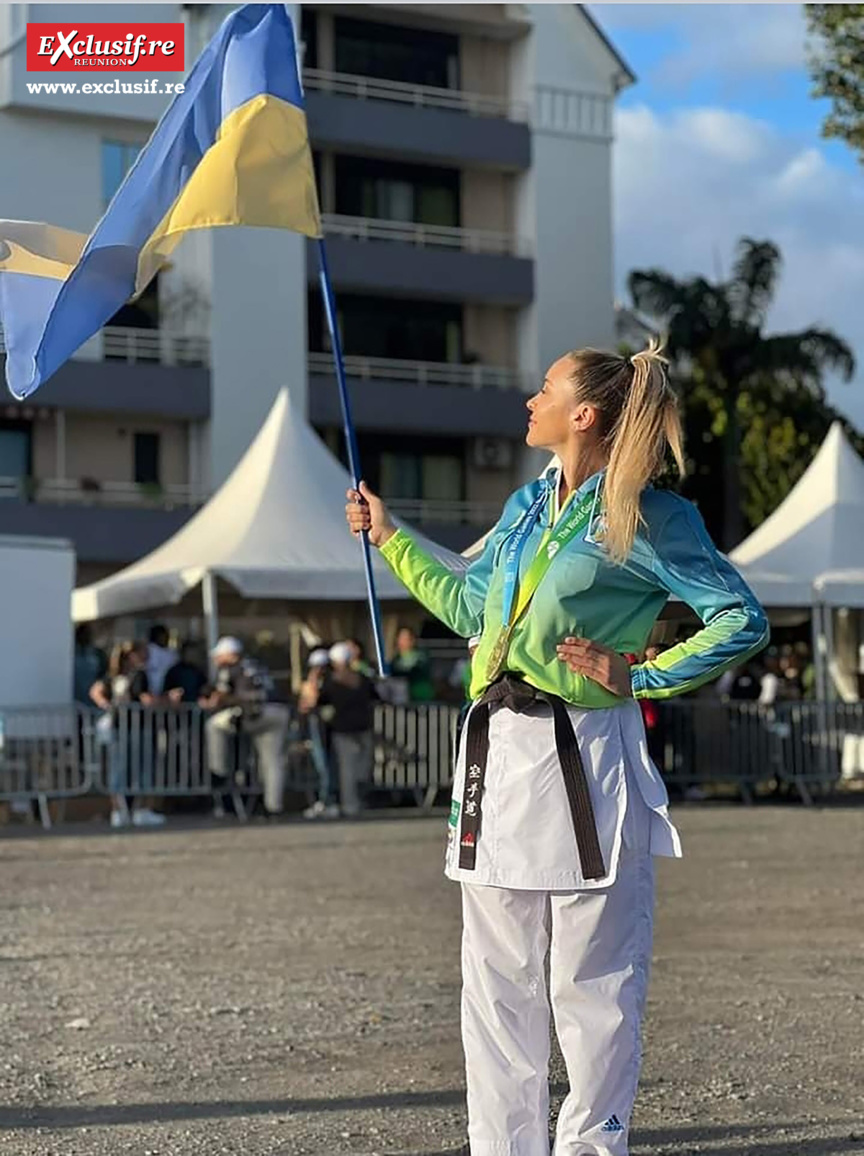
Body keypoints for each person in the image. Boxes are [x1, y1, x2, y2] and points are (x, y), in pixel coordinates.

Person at [346, 339, 769, 1156]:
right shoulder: (525, 507)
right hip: (497, 754)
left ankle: (589, 1148)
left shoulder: (649, 515)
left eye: (544, 389)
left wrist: (639, 675)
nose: (528, 401)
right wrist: (392, 537)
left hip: (587, 752)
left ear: (584, 414)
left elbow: (739, 619)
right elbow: (472, 611)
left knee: (591, 981)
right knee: (496, 984)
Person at [201, 637, 290, 817]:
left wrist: (210, 703)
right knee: (272, 761)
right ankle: (273, 806)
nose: (217, 660)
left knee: (213, 725)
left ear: (230, 655)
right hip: (277, 711)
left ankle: (219, 771)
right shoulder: (258, 666)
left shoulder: (230, 669)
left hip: (252, 713)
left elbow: (222, 696)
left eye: (219, 655)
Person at [90, 640, 165, 829]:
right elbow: (146, 699)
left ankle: (118, 811)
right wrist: (166, 700)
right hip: (138, 726)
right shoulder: (139, 675)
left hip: (119, 726)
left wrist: (107, 705)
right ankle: (142, 810)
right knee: (143, 769)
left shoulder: (114, 676)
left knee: (118, 770)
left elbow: (95, 691)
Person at [301, 641, 378, 818]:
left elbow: (315, 701)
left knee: (347, 770)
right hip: (363, 726)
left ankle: (350, 804)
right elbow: (376, 695)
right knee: (362, 767)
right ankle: (358, 801)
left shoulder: (332, 682)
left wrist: (313, 682)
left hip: (343, 730)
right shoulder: (362, 678)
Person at [299, 648, 339, 820]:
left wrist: (312, 684)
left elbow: (312, 699)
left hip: (324, 727)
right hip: (317, 726)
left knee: (325, 764)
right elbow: (303, 704)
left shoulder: (329, 683)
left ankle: (327, 800)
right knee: (321, 764)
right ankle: (324, 799)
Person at [390, 626, 434, 702]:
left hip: (420, 697)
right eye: (401, 638)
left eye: (407, 638)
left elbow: (415, 670)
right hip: (401, 698)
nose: (404, 641)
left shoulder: (421, 656)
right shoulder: (396, 659)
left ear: (413, 640)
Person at [73, 623, 107, 707]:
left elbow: (103, 673)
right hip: (78, 699)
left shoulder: (97, 653)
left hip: (92, 700)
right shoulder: (72, 653)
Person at [146, 624, 177, 697]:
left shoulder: (172, 654)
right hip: (151, 690)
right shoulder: (148, 651)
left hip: (168, 690)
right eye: (162, 636)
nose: (165, 638)